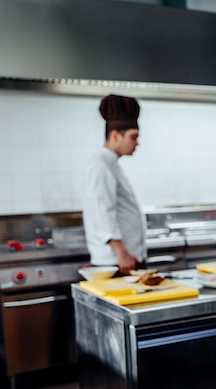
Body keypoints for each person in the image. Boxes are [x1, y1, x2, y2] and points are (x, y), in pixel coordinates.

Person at [82, 94, 147, 276]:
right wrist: (121, 252)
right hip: (117, 262)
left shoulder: (111, 163)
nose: (137, 143)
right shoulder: (100, 164)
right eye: (133, 137)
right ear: (116, 135)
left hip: (125, 259)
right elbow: (101, 211)